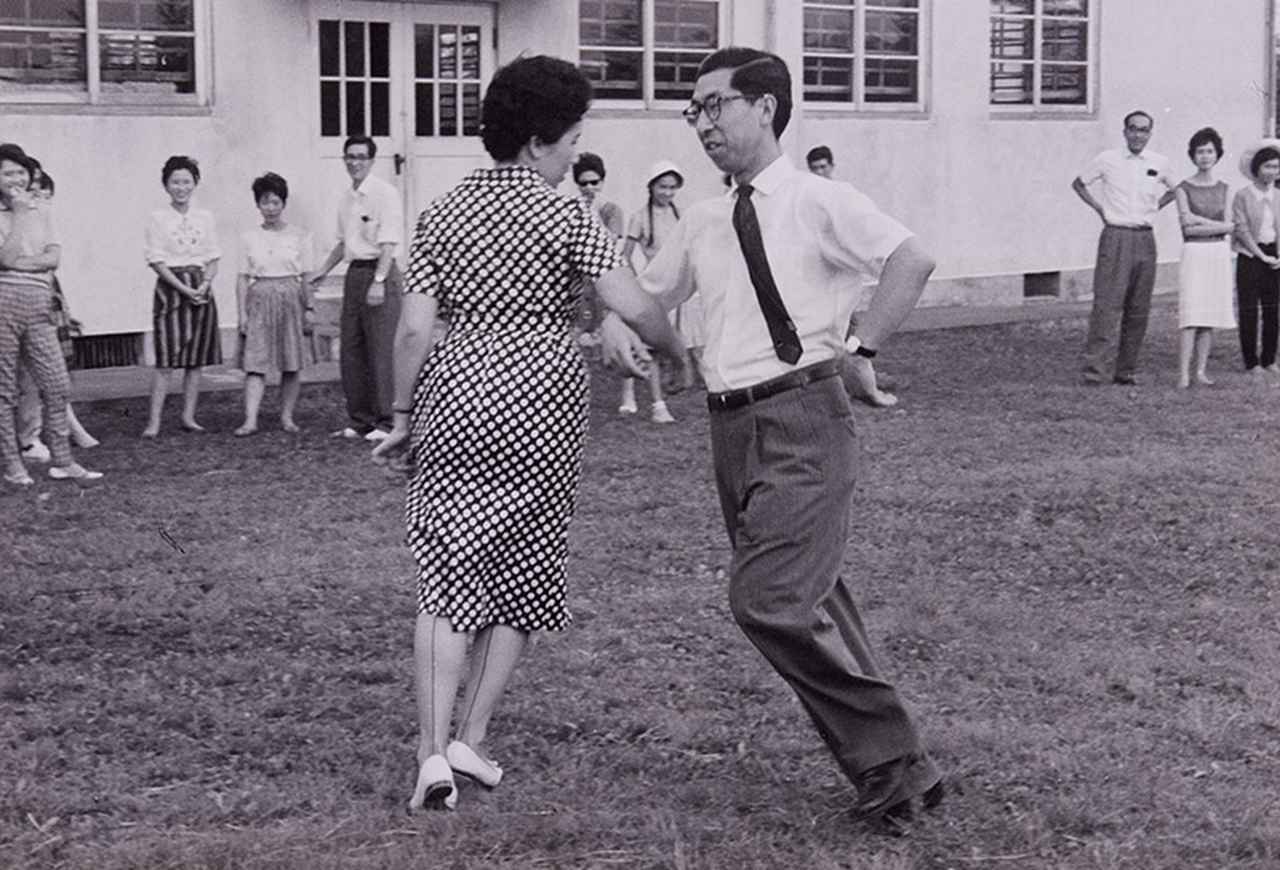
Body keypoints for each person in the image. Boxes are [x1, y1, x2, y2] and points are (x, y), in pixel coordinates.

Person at [599, 47, 943, 827]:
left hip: (804, 417)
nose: (702, 125)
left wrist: (863, 348)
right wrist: (619, 325)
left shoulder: (821, 200)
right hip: (730, 428)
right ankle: (900, 774)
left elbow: (911, 259)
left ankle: (891, 749)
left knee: (769, 601)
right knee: (815, 600)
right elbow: (648, 295)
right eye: (693, 111)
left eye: (715, 105)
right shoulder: (703, 218)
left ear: (764, 106)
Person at [371, 55, 686, 813]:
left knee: (447, 576)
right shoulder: (564, 215)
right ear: (540, 140)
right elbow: (635, 305)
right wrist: (675, 350)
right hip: (541, 396)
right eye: (572, 140)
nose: (575, 155)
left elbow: (413, 330)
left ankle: (433, 754)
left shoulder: (442, 211)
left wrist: (403, 416)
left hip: (456, 390)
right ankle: (471, 736)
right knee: (525, 571)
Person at [0, 143, 101, 484]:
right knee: (5, 389)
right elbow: (4, 257)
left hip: (40, 301)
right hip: (4, 303)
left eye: (20, 172)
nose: (16, 179)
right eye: (8, 173)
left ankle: (63, 461)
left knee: (57, 383)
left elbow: (53, 258)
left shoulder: (42, 209)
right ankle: (13, 465)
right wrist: (18, 215)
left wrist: (19, 263)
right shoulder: (14, 212)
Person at [306, 135, 403, 441]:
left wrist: (379, 281)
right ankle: (361, 419)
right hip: (355, 274)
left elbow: (388, 242)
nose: (354, 162)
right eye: (350, 156)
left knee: (381, 349)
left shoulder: (385, 194)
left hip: (380, 273)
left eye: (361, 157)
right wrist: (322, 271)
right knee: (352, 348)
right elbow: (343, 242)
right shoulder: (347, 197)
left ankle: (387, 421)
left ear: (372, 161)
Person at [1072, 110, 1177, 386]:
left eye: (1144, 130)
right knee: (1107, 305)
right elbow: (1079, 184)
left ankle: (1126, 371)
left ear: (1150, 133)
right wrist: (1100, 209)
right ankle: (1095, 371)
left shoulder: (1159, 162)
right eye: (1133, 128)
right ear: (1125, 131)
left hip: (1145, 237)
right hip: (1116, 235)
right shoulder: (1108, 159)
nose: (1138, 134)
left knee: (1138, 307)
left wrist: (1155, 206)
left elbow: (1177, 189)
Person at [142, 155, 222, 437]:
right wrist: (183, 289)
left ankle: (188, 416)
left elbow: (213, 256)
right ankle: (154, 422)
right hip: (172, 288)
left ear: (195, 184)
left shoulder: (205, 217)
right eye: (175, 182)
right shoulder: (158, 218)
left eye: (186, 182)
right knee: (166, 358)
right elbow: (156, 260)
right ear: (166, 185)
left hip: (201, 286)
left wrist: (205, 284)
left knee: (195, 358)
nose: (181, 188)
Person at [234, 172, 316, 435]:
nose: (270, 208)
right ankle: (250, 420)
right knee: (255, 362)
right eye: (265, 202)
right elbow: (242, 278)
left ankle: (287, 417)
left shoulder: (300, 236)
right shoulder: (248, 237)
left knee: (291, 361)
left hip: (291, 298)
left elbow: (307, 276)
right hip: (259, 298)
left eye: (275, 202)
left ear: (284, 203)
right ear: (257, 204)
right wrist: (242, 314)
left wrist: (310, 307)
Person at [619, 161, 687, 421]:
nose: (667, 192)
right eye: (662, 187)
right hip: (650, 290)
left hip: (674, 291)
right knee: (646, 345)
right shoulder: (639, 218)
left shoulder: (681, 216)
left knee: (668, 343)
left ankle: (653, 394)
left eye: (672, 187)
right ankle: (653, 403)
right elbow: (624, 256)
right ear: (651, 187)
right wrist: (635, 285)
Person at [1172, 128, 1235, 389]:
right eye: (1200, 151)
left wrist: (1199, 220)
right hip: (1195, 253)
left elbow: (1230, 227)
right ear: (1193, 155)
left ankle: (1200, 371)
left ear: (1217, 154)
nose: (1205, 156)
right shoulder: (1182, 188)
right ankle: (1183, 374)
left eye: (1210, 151)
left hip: (1218, 253)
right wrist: (1217, 226)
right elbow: (1188, 230)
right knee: (1191, 315)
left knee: (1209, 315)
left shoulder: (1225, 189)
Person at [1231, 140, 1280, 381]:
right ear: (1257, 168)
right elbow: (1241, 229)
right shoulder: (1243, 196)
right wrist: (1261, 255)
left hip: (1275, 256)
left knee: (1272, 310)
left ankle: (1269, 359)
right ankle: (1251, 361)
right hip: (1250, 255)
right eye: (1267, 166)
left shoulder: (1278, 196)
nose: (1272, 172)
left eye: (1276, 167)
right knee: (1249, 309)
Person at [572, 152, 624, 338]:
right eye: (583, 183)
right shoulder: (573, 210)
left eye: (594, 182)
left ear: (602, 182)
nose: (589, 188)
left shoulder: (612, 209)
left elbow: (610, 242)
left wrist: (593, 213)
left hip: (604, 277)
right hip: (579, 279)